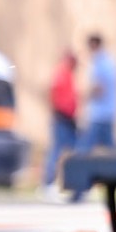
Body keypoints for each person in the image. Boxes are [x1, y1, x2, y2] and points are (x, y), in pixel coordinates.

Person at [41, 47, 80, 198]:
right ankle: (48, 184)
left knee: (71, 150)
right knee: (56, 151)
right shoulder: (62, 73)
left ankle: (67, 185)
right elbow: (52, 93)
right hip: (61, 117)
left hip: (68, 118)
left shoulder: (68, 74)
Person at [81, 33, 116, 154]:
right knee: (110, 149)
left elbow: (99, 88)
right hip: (110, 111)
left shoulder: (99, 62)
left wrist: (85, 96)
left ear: (94, 45)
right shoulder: (110, 61)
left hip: (98, 114)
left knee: (84, 150)